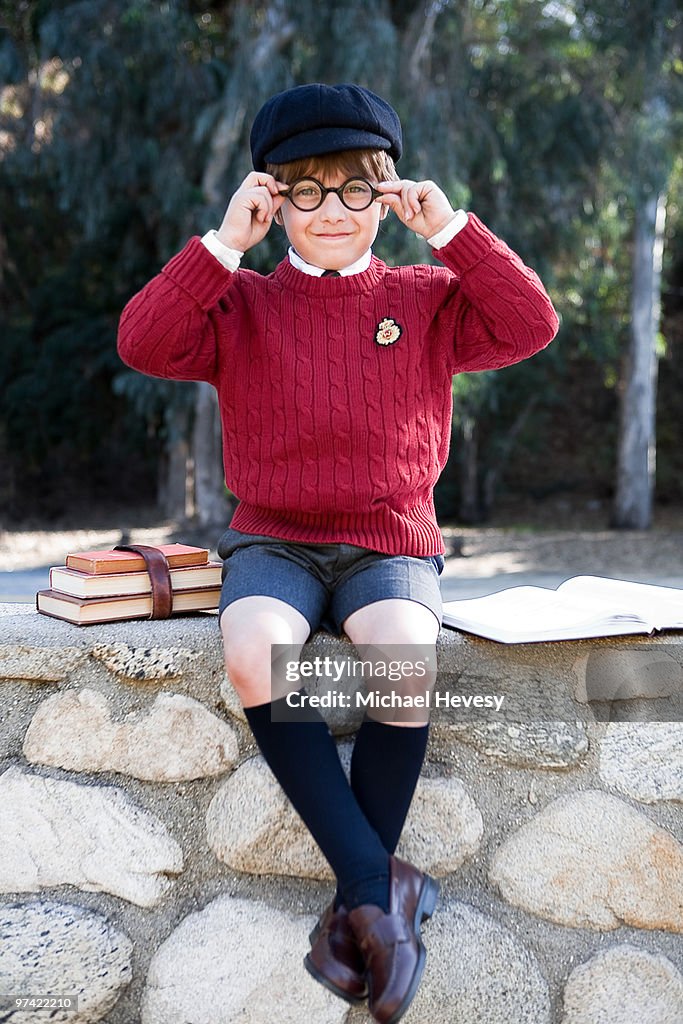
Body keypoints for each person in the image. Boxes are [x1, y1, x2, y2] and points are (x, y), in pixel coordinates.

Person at [117, 82, 559, 1023]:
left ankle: (357, 906)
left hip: (387, 539)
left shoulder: (428, 298)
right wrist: (221, 246)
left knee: (405, 656)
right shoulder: (239, 302)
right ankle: (378, 896)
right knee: (252, 651)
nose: (331, 212)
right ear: (272, 198)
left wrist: (454, 232)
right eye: (305, 192)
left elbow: (532, 324)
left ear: (388, 196)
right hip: (272, 537)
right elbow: (143, 341)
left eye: (355, 190)